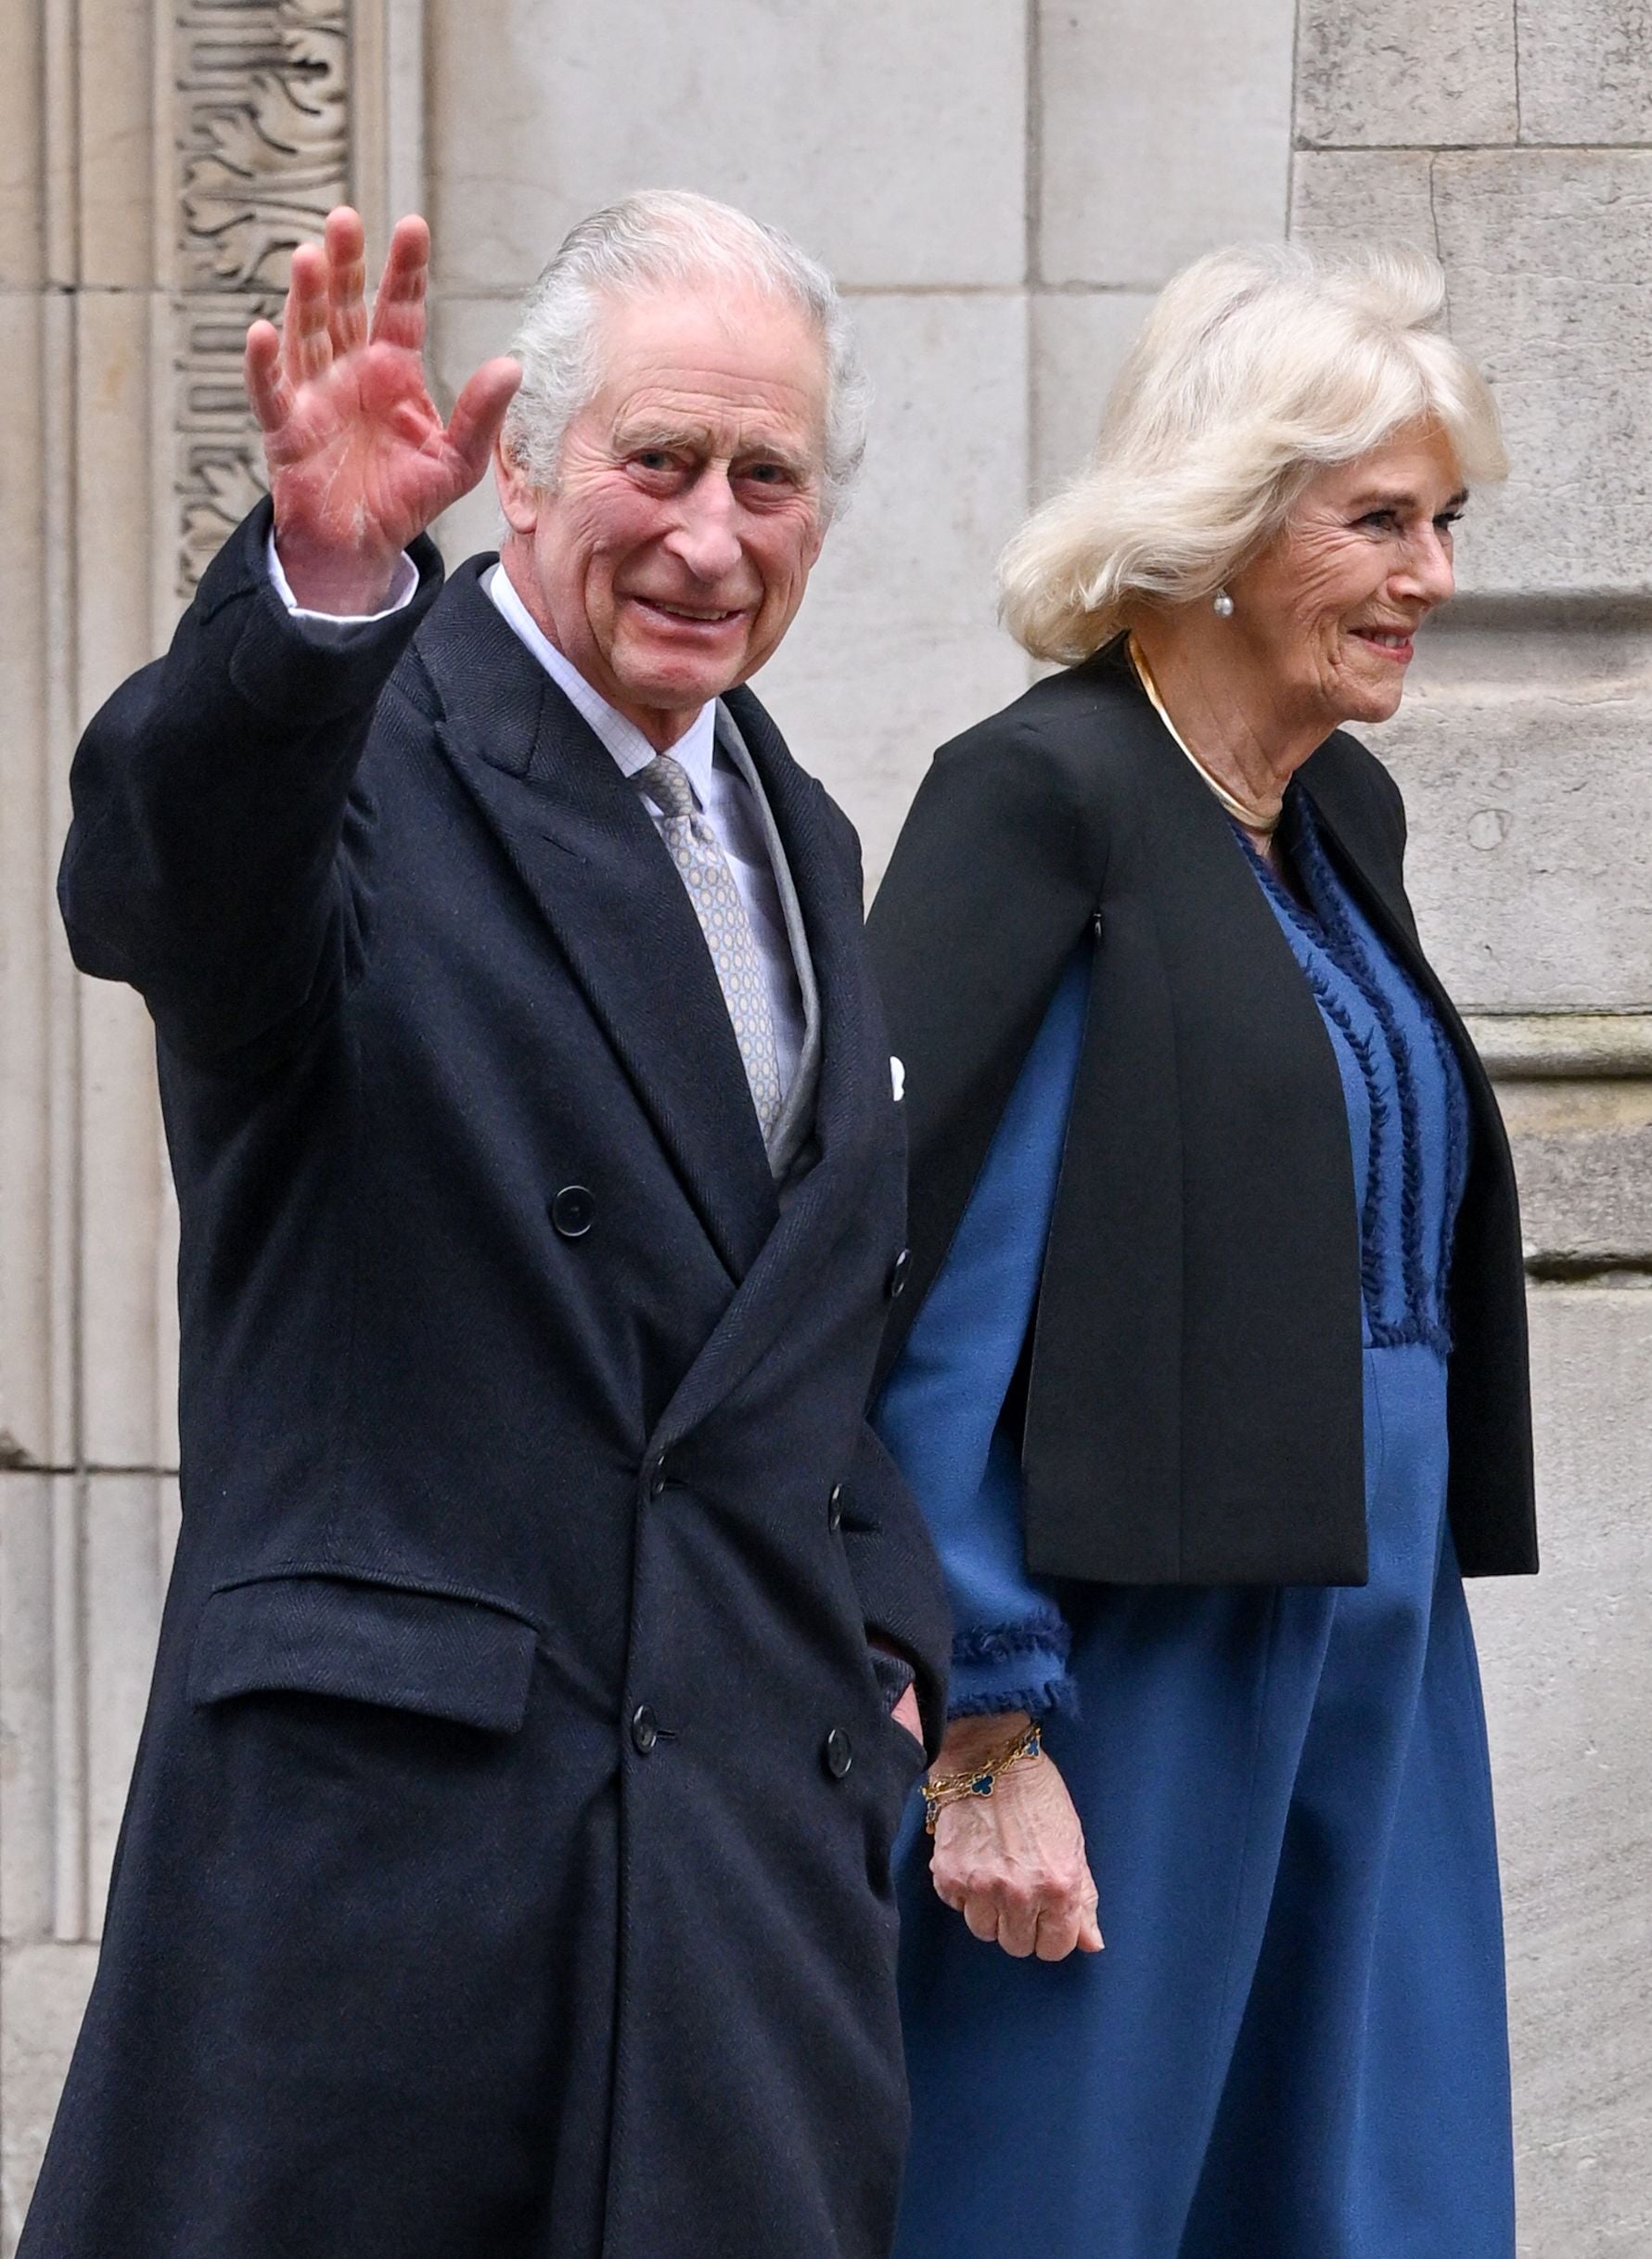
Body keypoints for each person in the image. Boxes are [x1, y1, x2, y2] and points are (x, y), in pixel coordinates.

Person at [21, 192, 948, 2259]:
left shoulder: (796, 822)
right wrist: (324, 589)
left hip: (731, 1896)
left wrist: (885, 1641)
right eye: (658, 462)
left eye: (766, 478)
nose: (711, 537)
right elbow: (154, 890)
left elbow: (791, 1331)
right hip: (398, 1892)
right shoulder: (372, 742)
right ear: (519, 472)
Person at [867, 242, 1535, 2259]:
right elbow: (929, 1291)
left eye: (1446, 524)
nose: (1430, 576)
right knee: (1075, 2191)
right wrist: (984, 1718)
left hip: (1378, 1629)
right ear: (1230, 526)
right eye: (1381, 523)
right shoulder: (1038, 797)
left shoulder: (1344, 821)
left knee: (1368, 2183)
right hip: (1130, 1657)